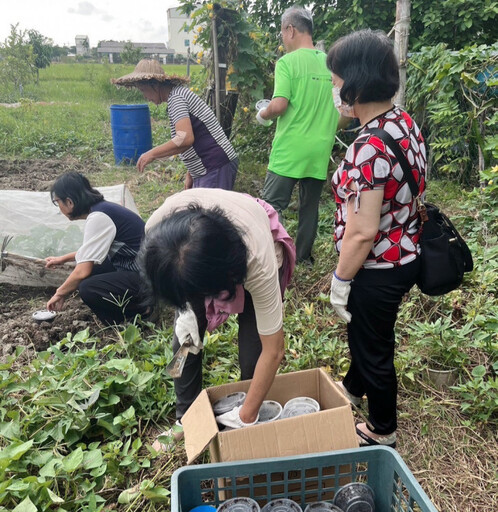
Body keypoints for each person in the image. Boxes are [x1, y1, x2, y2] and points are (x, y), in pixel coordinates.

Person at [327, 30, 427, 448]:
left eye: (335, 81)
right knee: (369, 334)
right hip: (407, 252)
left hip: (378, 268)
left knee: (373, 344)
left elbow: (363, 230)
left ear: (355, 81)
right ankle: (353, 386)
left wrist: (341, 280)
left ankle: (382, 428)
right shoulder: (402, 121)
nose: (335, 90)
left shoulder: (368, 146)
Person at [140, 188, 296, 441]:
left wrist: (244, 417)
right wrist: (187, 309)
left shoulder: (259, 259)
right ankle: (185, 418)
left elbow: (274, 350)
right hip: (196, 254)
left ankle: (250, 411)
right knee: (185, 341)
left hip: (248, 237)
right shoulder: (157, 236)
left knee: (253, 351)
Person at [256, 5, 346, 265]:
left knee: (272, 206)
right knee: (309, 207)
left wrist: (262, 114)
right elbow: (345, 113)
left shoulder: (287, 63)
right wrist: (325, 127)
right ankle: (304, 258)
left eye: (282, 34)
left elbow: (280, 104)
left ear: (290, 29)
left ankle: (277, 258)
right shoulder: (332, 64)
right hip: (319, 150)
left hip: (290, 149)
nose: (283, 41)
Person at [112, 59, 238, 190]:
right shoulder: (177, 96)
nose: (145, 96)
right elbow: (198, 134)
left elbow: (184, 139)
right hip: (208, 168)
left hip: (215, 165)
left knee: (210, 210)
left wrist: (151, 154)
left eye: (143, 90)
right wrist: (191, 173)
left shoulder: (177, 99)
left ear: (154, 85)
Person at [45, 172, 147, 324]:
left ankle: (136, 316)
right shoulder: (102, 210)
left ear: (70, 202)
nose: (58, 207)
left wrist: (59, 294)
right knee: (95, 268)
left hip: (147, 277)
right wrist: (63, 258)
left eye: (57, 202)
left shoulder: (99, 217)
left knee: (88, 287)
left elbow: (82, 270)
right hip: (145, 268)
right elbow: (90, 252)